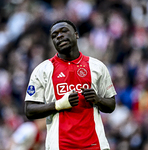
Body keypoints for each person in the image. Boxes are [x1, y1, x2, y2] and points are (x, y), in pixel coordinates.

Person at [25, 19, 117, 150]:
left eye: (64, 31)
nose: (59, 36)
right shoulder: (42, 70)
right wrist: (57, 105)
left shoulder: (97, 67)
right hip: (59, 145)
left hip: (95, 145)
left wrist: (98, 99)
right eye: (54, 35)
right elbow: (29, 111)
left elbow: (111, 105)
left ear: (76, 34)